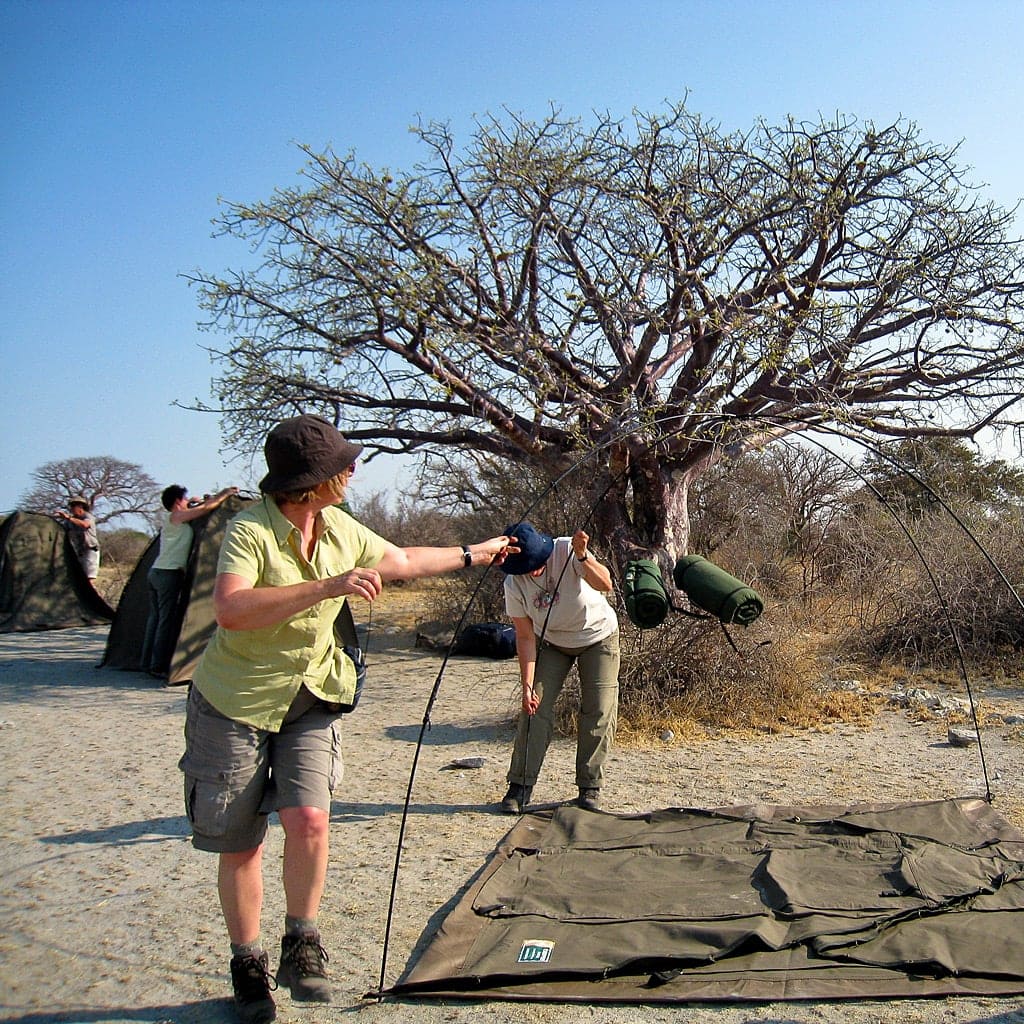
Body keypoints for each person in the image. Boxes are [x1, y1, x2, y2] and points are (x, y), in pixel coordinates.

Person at [178, 413, 514, 1024]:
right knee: (242, 844)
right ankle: (247, 966)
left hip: (311, 696)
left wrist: (477, 553)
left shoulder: (339, 526)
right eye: (343, 464)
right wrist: (328, 586)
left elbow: (404, 558)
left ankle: (302, 941)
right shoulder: (249, 531)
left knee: (309, 817)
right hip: (235, 703)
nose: (353, 470)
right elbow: (231, 610)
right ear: (311, 480)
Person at [499, 521, 620, 816]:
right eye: (525, 567)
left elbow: (606, 584)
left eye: (536, 563)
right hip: (551, 642)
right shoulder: (513, 584)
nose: (533, 571)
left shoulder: (567, 549)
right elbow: (526, 637)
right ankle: (520, 786)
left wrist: (583, 556)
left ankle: (589, 786)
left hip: (597, 636)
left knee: (599, 708)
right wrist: (527, 685)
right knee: (534, 707)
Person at [140, 483, 239, 679]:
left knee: (155, 619)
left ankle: (147, 662)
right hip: (168, 574)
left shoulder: (174, 520)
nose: (187, 502)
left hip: (157, 572)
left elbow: (199, 508)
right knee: (165, 621)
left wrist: (197, 501)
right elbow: (205, 509)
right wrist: (224, 493)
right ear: (178, 501)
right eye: (184, 499)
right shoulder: (176, 516)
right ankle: (157, 665)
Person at [54, 495, 100, 582]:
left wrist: (68, 518)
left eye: (73, 506)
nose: (71, 509)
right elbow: (64, 530)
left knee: (89, 580)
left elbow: (85, 525)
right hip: (80, 551)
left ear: (80, 507)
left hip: (90, 549)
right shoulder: (71, 520)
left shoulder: (88, 516)